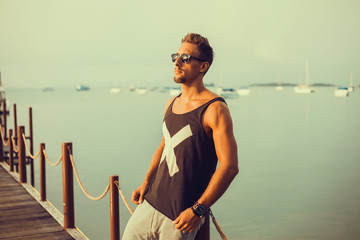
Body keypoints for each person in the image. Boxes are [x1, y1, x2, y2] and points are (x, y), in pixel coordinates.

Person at [122, 33, 239, 240]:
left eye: (185, 58)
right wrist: (145, 183)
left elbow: (229, 166)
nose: (177, 62)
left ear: (203, 67)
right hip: (150, 203)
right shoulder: (171, 103)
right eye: (176, 56)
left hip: (181, 216)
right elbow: (164, 147)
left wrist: (198, 210)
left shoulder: (215, 109)